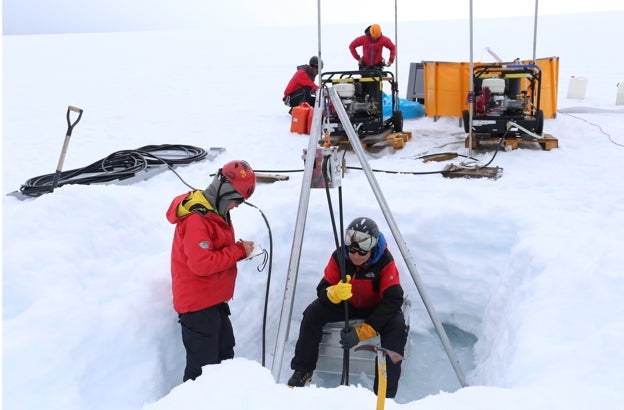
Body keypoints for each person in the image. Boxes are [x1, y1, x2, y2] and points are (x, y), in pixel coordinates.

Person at [287, 217, 408, 398]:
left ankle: (385, 393)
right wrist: (333, 293)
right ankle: (302, 370)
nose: (355, 256)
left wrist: (361, 333)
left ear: (372, 249)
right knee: (313, 312)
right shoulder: (339, 257)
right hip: (347, 304)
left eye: (361, 253)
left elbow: (393, 299)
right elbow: (322, 288)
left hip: (377, 307)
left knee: (397, 327)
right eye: (352, 251)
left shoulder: (384, 261)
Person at [166, 159, 257, 382]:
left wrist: (239, 251)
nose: (236, 206)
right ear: (225, 192)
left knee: (225, 359)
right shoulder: (197, 219)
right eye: (236, 201)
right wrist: (237, 251)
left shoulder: (215, 211)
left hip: (214, 301)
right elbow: (202, 264)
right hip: (198, 306)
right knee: (202, 373)